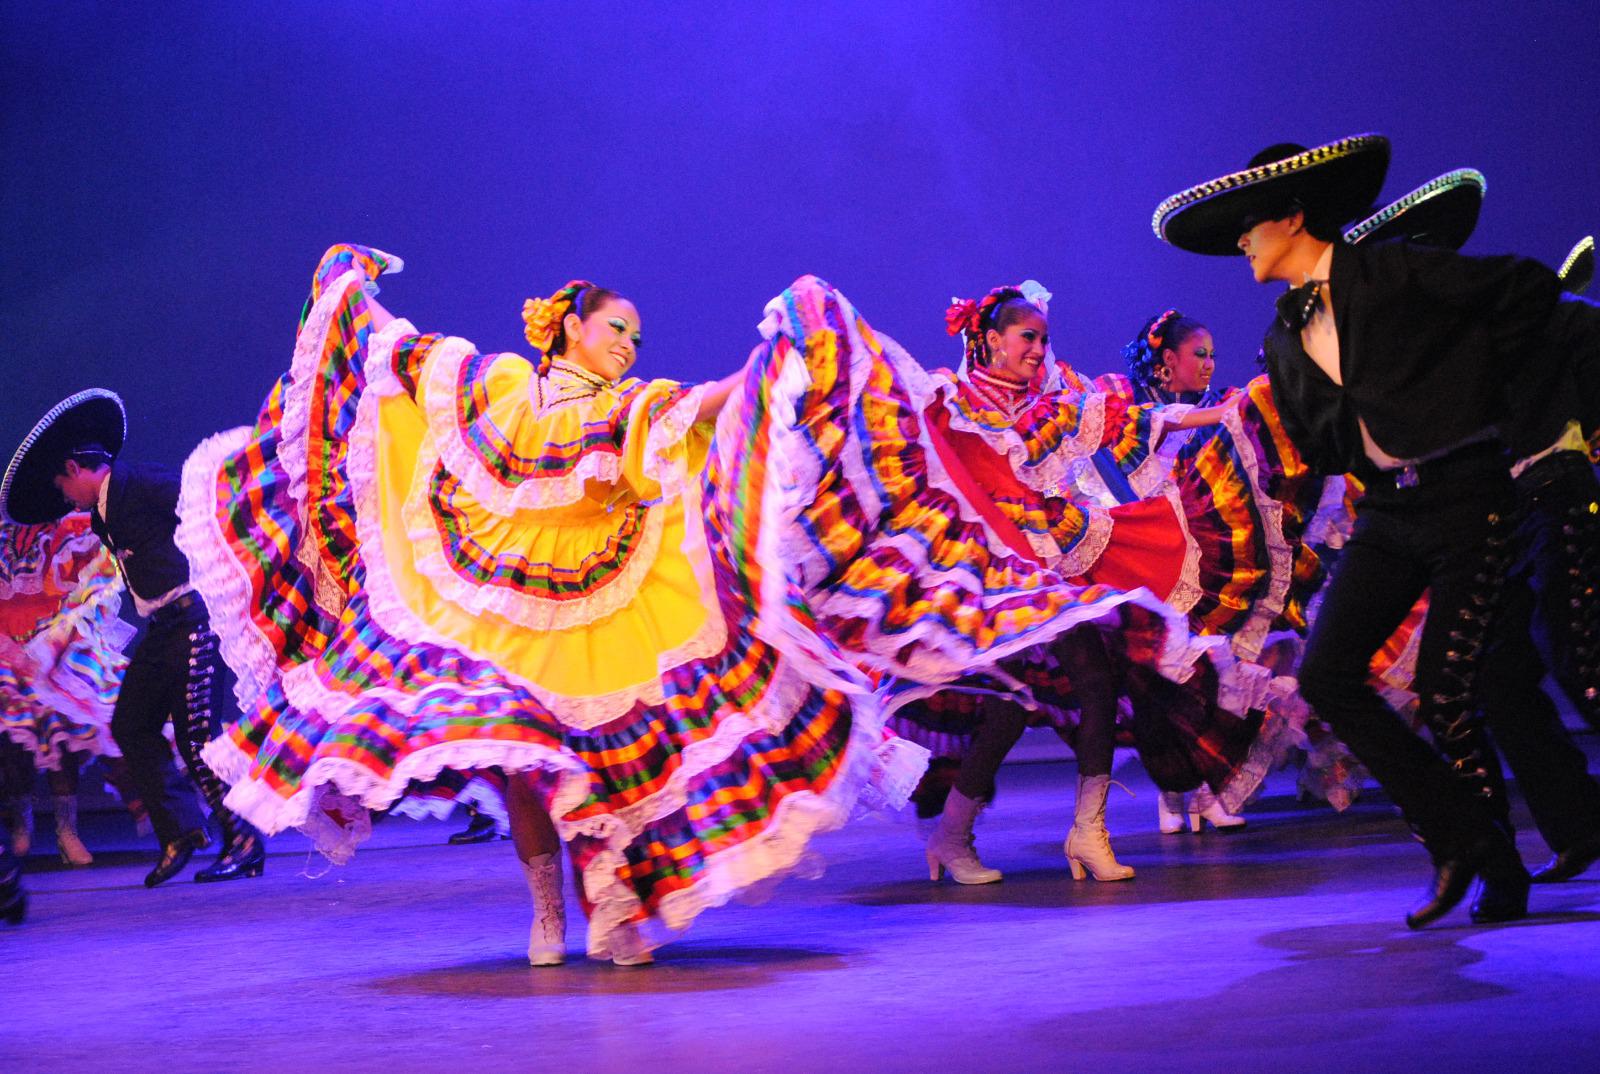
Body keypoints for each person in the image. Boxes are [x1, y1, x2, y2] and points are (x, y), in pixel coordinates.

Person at [1153, 133, 1564, 927]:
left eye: (1251, 224)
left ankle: (1489, 863)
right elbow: (1320, 442)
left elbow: (1525, 290)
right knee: (1329, 677)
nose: (1241, 241)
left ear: (1293, 215)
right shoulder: (1283, 333)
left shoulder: (1395, 271)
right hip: (1388, 512)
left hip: (1465, 495)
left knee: (1447, 688)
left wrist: (1477, 403)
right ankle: (1463, 838)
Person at [891, 282, 1308, 883]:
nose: (1038, 349)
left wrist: (1228, 412)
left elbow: (1138, 423)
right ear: (988, 339)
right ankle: (952, 835)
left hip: (1056, 561)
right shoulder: (949, 399)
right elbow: (901, 447)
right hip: (991, 572)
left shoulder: (1052, 404)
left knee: (1095, 682)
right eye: (1027, 337)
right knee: (1007, 708)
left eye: (1043, 339)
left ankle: (1088, 830)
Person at [1, 391, 264, 886]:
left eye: (62, 485)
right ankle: (181, 832)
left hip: (196, 620)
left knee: (197, 738)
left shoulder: (139, 483)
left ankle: (244, 840)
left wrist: (228, 575)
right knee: (130, 725)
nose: (63, 497)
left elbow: (211, 502)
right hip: (164, 628)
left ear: (77, 468)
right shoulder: (102, 511)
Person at [0, 514, 133, 865]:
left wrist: (59, 640)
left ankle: (66, 828)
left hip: (52, 644)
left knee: (61, 723)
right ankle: (19, 820)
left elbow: (96, 583)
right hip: (5, 648)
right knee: (12, 733)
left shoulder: (68, 531)